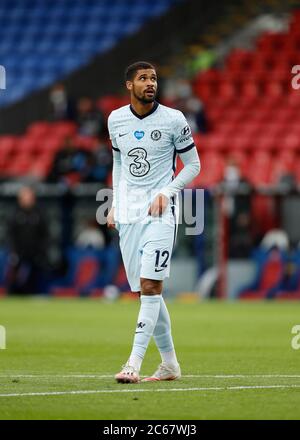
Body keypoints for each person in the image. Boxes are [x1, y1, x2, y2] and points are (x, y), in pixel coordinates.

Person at [106, 61, 200, 383]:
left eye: (154, 78)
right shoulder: (115, 120)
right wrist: (115, 204)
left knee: (151, 286)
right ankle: (170, 364)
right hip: (129, 216)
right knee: (146, 292)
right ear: (129, 85)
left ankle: (132, 363)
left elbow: (193, 165)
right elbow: (119, 162)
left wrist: (168, 192)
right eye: (143, 78)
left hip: (161, 215)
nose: (150, 83)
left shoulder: (174, 119)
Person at [7, 186, 49, 294]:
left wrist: (42, 250)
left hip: (36, 252)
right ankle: (13, 294)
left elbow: (45, 234)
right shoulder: (15, 214)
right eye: (24, 197)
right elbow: (11, 234)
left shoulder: (39, 213)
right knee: (16, 277)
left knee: (36, 277)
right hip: (19, 252)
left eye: (29, 196)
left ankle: (38, 294)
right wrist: (13, 251)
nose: (27, 199)